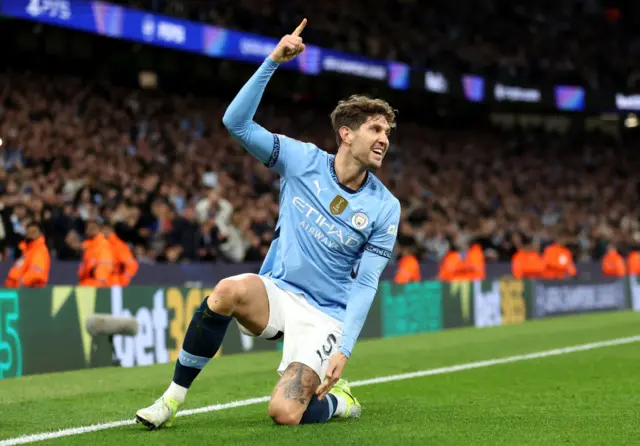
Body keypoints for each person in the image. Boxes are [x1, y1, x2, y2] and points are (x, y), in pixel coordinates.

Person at [136, 18, 401, 429]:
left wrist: (343, 348)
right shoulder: (302, 160)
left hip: (326, 315)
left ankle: (340, 401)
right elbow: (236, 123)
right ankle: (171, 400)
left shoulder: (385, 207)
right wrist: (274, 60)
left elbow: (366, 284)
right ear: (346, 134)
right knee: (226, 291)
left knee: (285, 413)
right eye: (376, 129)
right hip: (278, 292)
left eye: (388, 131)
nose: (385, 138)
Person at [4, 222, 51, 288]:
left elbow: (36, 273)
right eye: (28, 232)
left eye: (33, 232)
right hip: (16, 291)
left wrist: (19, 283)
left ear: (41, 234)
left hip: (30, 292)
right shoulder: (26, 251)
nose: (30, 234)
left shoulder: (40, 250)